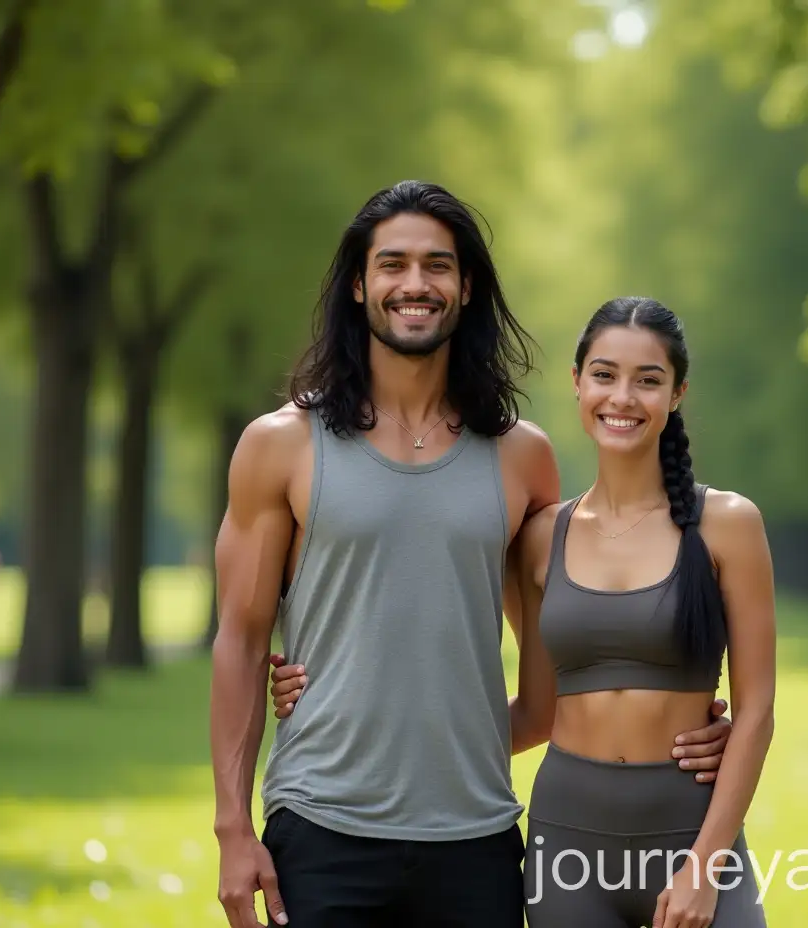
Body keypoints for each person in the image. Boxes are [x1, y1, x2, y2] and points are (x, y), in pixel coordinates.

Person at [208, 180, 735, 928]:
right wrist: (233, 827)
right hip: (320, 829)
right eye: (392, 264)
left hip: (476, 842)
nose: (414, 284)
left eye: (437, 265)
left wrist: (681, 720)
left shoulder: (521, 458)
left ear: (467, 287)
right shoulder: (280, 444)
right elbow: (240, 638)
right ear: (358, 285)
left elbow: (561, 670)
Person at [272, 296, 777, 927]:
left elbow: (756, 711)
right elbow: (424, 591)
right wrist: (336, 708)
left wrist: (704, 868)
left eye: (648, 380)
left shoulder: (728, 524)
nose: (622, 397)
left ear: (676, 394)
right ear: (576, 383)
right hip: (568, 845)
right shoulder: (541, 538)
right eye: (604, 374)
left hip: (693, 835)